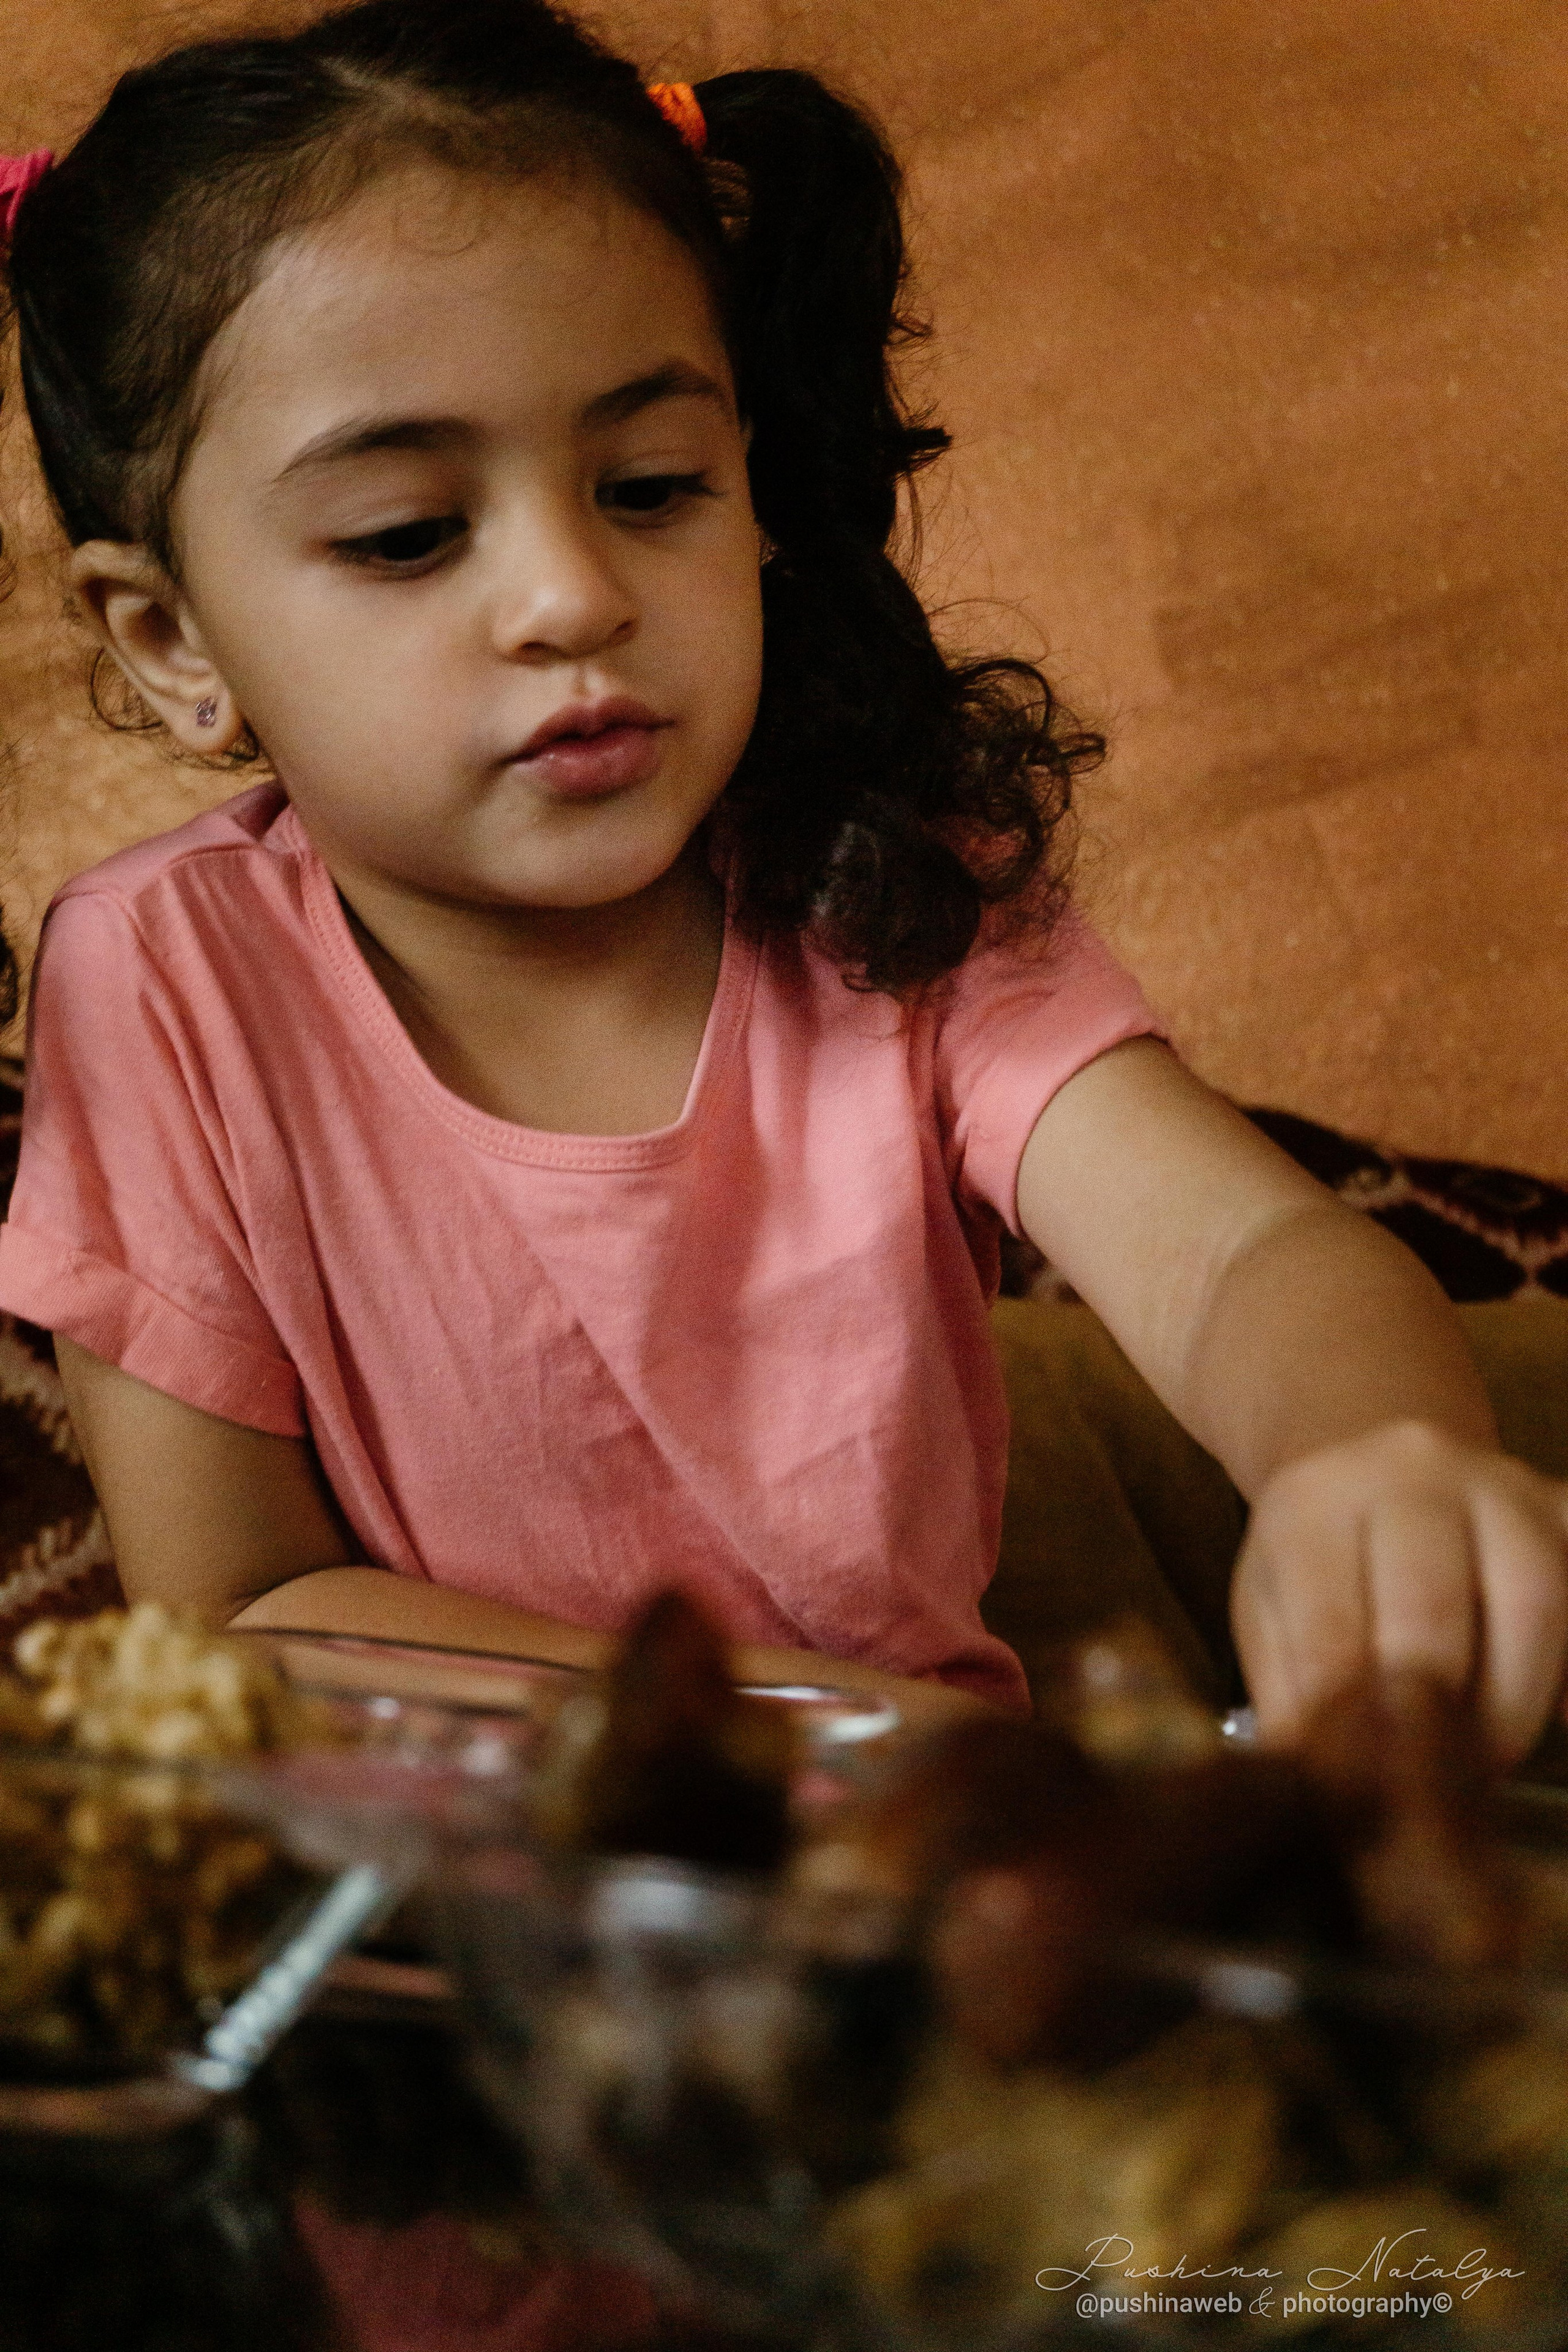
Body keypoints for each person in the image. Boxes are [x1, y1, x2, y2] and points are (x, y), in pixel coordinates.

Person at [0, 0, 1563, 1755]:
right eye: (410, 536)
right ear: (166, 637)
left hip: (932, 1882)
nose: (569, 597)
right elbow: (238, 1615)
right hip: (464, 1905)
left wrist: (1374, 1459)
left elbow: (1242, 1255)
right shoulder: (158, 980)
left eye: (652, 484)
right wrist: (813, 1741)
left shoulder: (887, 887)